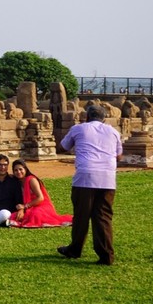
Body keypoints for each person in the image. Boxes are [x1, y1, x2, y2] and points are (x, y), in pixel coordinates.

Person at [58, 104, 123, 265]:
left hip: (85, 176)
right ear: (105, 119)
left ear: (87, 117)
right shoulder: (114, 132)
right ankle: (106, 255)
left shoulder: (78, 129)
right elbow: (119, 156)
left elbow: (63, 146)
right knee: (103, 217)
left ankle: (75, 249)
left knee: (81, 215)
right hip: (107, 178)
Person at [8, 159, 72, 228]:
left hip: (41, 205)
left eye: (20, 169)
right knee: (13, 216)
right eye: (16, 170)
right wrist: (22, 209)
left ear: (25, 169)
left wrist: (25, 206)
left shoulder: (32, 180)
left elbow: (40, 198)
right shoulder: (17, 182)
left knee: (35, 215)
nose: (18, 172)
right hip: (29, 206)